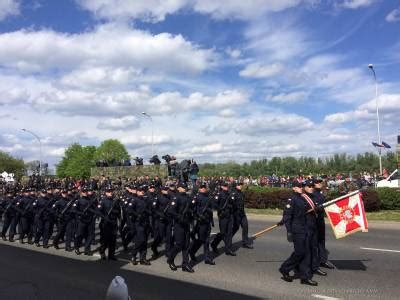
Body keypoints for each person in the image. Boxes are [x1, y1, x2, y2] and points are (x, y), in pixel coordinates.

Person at [279, 181, 318, 286]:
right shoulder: (291, 200)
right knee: (300, 252)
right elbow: (287, 217)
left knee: (306, 253)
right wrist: (289, 231)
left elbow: (305, 212)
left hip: (304, 228)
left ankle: (305, 277)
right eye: (299, 187)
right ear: (294, 188)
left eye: (302, 186)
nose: (301, 188)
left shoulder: (302, 198)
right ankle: (284, 268)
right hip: (297, 230)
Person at [167, 183, 194, 273]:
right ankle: (170, 259)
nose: (185, 189)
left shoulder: (187, 197)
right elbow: (171, 210)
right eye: (183, 187)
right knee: (179, 244)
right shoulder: (176, 197)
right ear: (179, 188)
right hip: (179, 224)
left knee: (186, 245)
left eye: (185, 187)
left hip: (186, 222)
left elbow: (191, 208)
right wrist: (179, 217)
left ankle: (185, 264)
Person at [189, 183, 215, 265]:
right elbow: (191, 209)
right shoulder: (196, 197)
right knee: (201, 240)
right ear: (199, 189)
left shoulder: (209, 197)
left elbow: (212, 207)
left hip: (207, 221)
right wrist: (197, 216)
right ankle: (192, 251)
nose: (203, 189)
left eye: (204, 188)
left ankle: (206, 258)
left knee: (206, 240)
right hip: (200, 221)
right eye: (202, 188)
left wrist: (210, 210)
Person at [313, 179, 335, 269]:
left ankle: (322, 260)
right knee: (313, 242)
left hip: (320, 220)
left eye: (320, 182)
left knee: (321, 241)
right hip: (313, 220)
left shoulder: (321, 193)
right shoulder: (311, 194)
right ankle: (314, 262)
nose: (319, 184)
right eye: (317, 183)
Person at [211, 182, 236, 256]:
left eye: (227, 186)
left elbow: (233, 203)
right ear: (221, 187)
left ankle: (228, 249)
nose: (226, 187)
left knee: (229, 232)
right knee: (223, 233)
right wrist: (220, 209)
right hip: (223, 215)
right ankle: (214, 244)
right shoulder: (219, 194)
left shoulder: (230, 193)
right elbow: (214, 204)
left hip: (230, 214)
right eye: (225, 186)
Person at [98, 185, 121, 260]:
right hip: (105, 223)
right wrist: (105, 217)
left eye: (111, 191)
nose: (111, 192)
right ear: (106, 192)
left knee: (113, 240)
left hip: (113, 222)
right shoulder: (103, 201)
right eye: (109, 191)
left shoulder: (115, 201)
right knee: (105, 239)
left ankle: (111, 255)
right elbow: (99, 211)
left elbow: (118, 211)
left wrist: (119, 220)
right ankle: (102, 252)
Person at [131, 185, 151, 266]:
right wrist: (137, 215)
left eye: (143, 190)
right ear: (137, 192)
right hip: (138, 223)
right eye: (140, 190)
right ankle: (133, 255)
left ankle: (143, 258)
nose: (142, 191)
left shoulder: (145, 200)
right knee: (141, 240)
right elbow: (129, 210)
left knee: (145, 241)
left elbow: (149, 210)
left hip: (145, 222)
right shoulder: (134, 200)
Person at [231, 182, 253, 249]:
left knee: (245, 226)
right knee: (235, 228)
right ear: (236, 186)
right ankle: (228, 240)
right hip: (236, 214)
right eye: (239, 185)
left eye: (241, 185)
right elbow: (231, 204)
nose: (240, 186)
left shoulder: (242, 193)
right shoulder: (233, 193)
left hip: (242, 213)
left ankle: (245, 242)